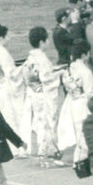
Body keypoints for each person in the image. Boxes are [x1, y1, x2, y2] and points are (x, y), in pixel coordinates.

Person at [23, 26, 66, 168]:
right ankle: (45, 153)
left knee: (40, 121)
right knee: (47, 122)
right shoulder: (41, 58)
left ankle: (48, 150)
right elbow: (47, 78)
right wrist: (60, 73)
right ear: (42, 42)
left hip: (34, 93)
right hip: (44, 94)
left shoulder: (31, 57)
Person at [0, 24, 28, 158]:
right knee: (14, 115)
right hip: (8, 87)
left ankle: (12, 147)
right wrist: (24, 67)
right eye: (8, 36)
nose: (9, 38)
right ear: (2, 37)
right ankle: (19, 148)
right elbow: (11, 73)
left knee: (6, 115)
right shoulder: (3, 53)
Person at [57, 39, 93, 165]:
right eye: (88, 53)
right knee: (85, 131)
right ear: (83, 55)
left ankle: (82, 156)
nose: (89, 56)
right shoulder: (85, 72)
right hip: (82, 102)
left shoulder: (69, 70)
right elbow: (91, 92)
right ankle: (82, 158)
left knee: (78, 130)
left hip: (71, 101)